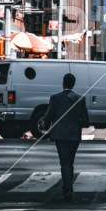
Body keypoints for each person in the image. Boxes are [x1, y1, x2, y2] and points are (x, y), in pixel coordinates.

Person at [43, 73, 90, 202]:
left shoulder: (55, 98)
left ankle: (67, 188)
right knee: (70, 161)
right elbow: (86, 121)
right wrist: (76, 124)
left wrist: (47, 128)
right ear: (73, 84)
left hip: (60, 134)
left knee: (64, 162)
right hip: (74, 134)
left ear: (63, 83)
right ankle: (68, 186)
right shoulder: (80, 98)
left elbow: (49, 115)